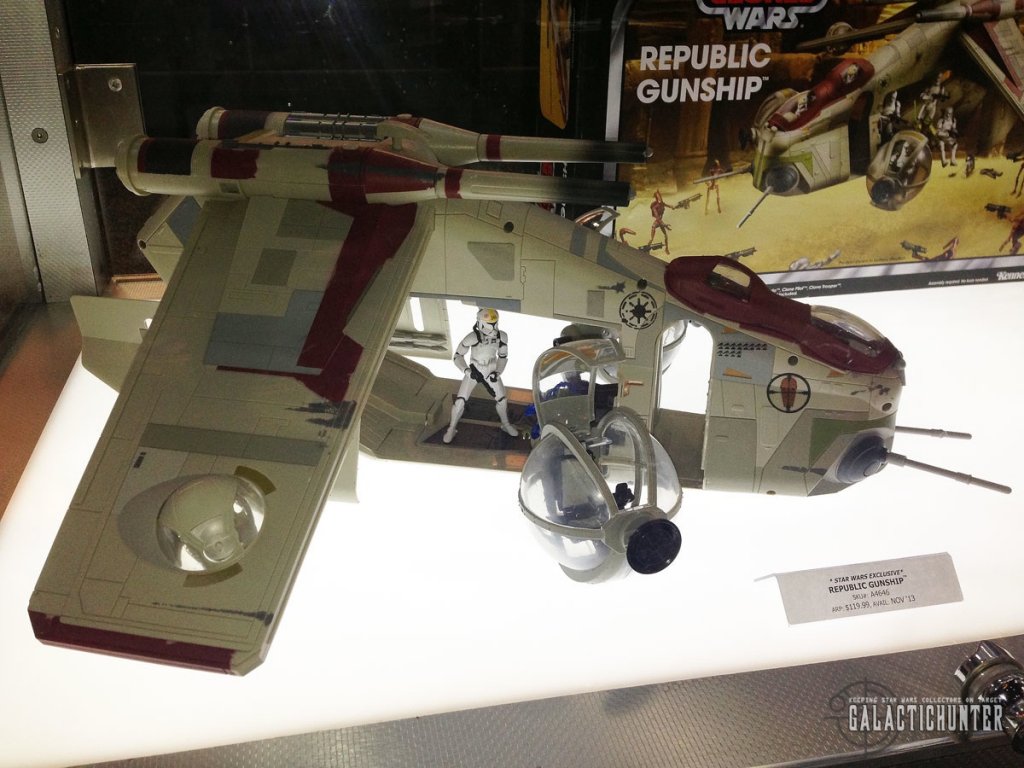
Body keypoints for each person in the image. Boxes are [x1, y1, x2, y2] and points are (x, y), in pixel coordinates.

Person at [443, 308, 518, 443]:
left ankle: (506, 424)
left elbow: (503, 356)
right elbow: (457, 356)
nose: (493, 327)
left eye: (494, 323)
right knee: (460, 401)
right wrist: (467, 371)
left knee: (502, 399)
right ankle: (452, 428)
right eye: (490, 324)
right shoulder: (473, 337)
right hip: (475, 369)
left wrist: (498, 372)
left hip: (491, 370)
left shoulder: (501, 336)